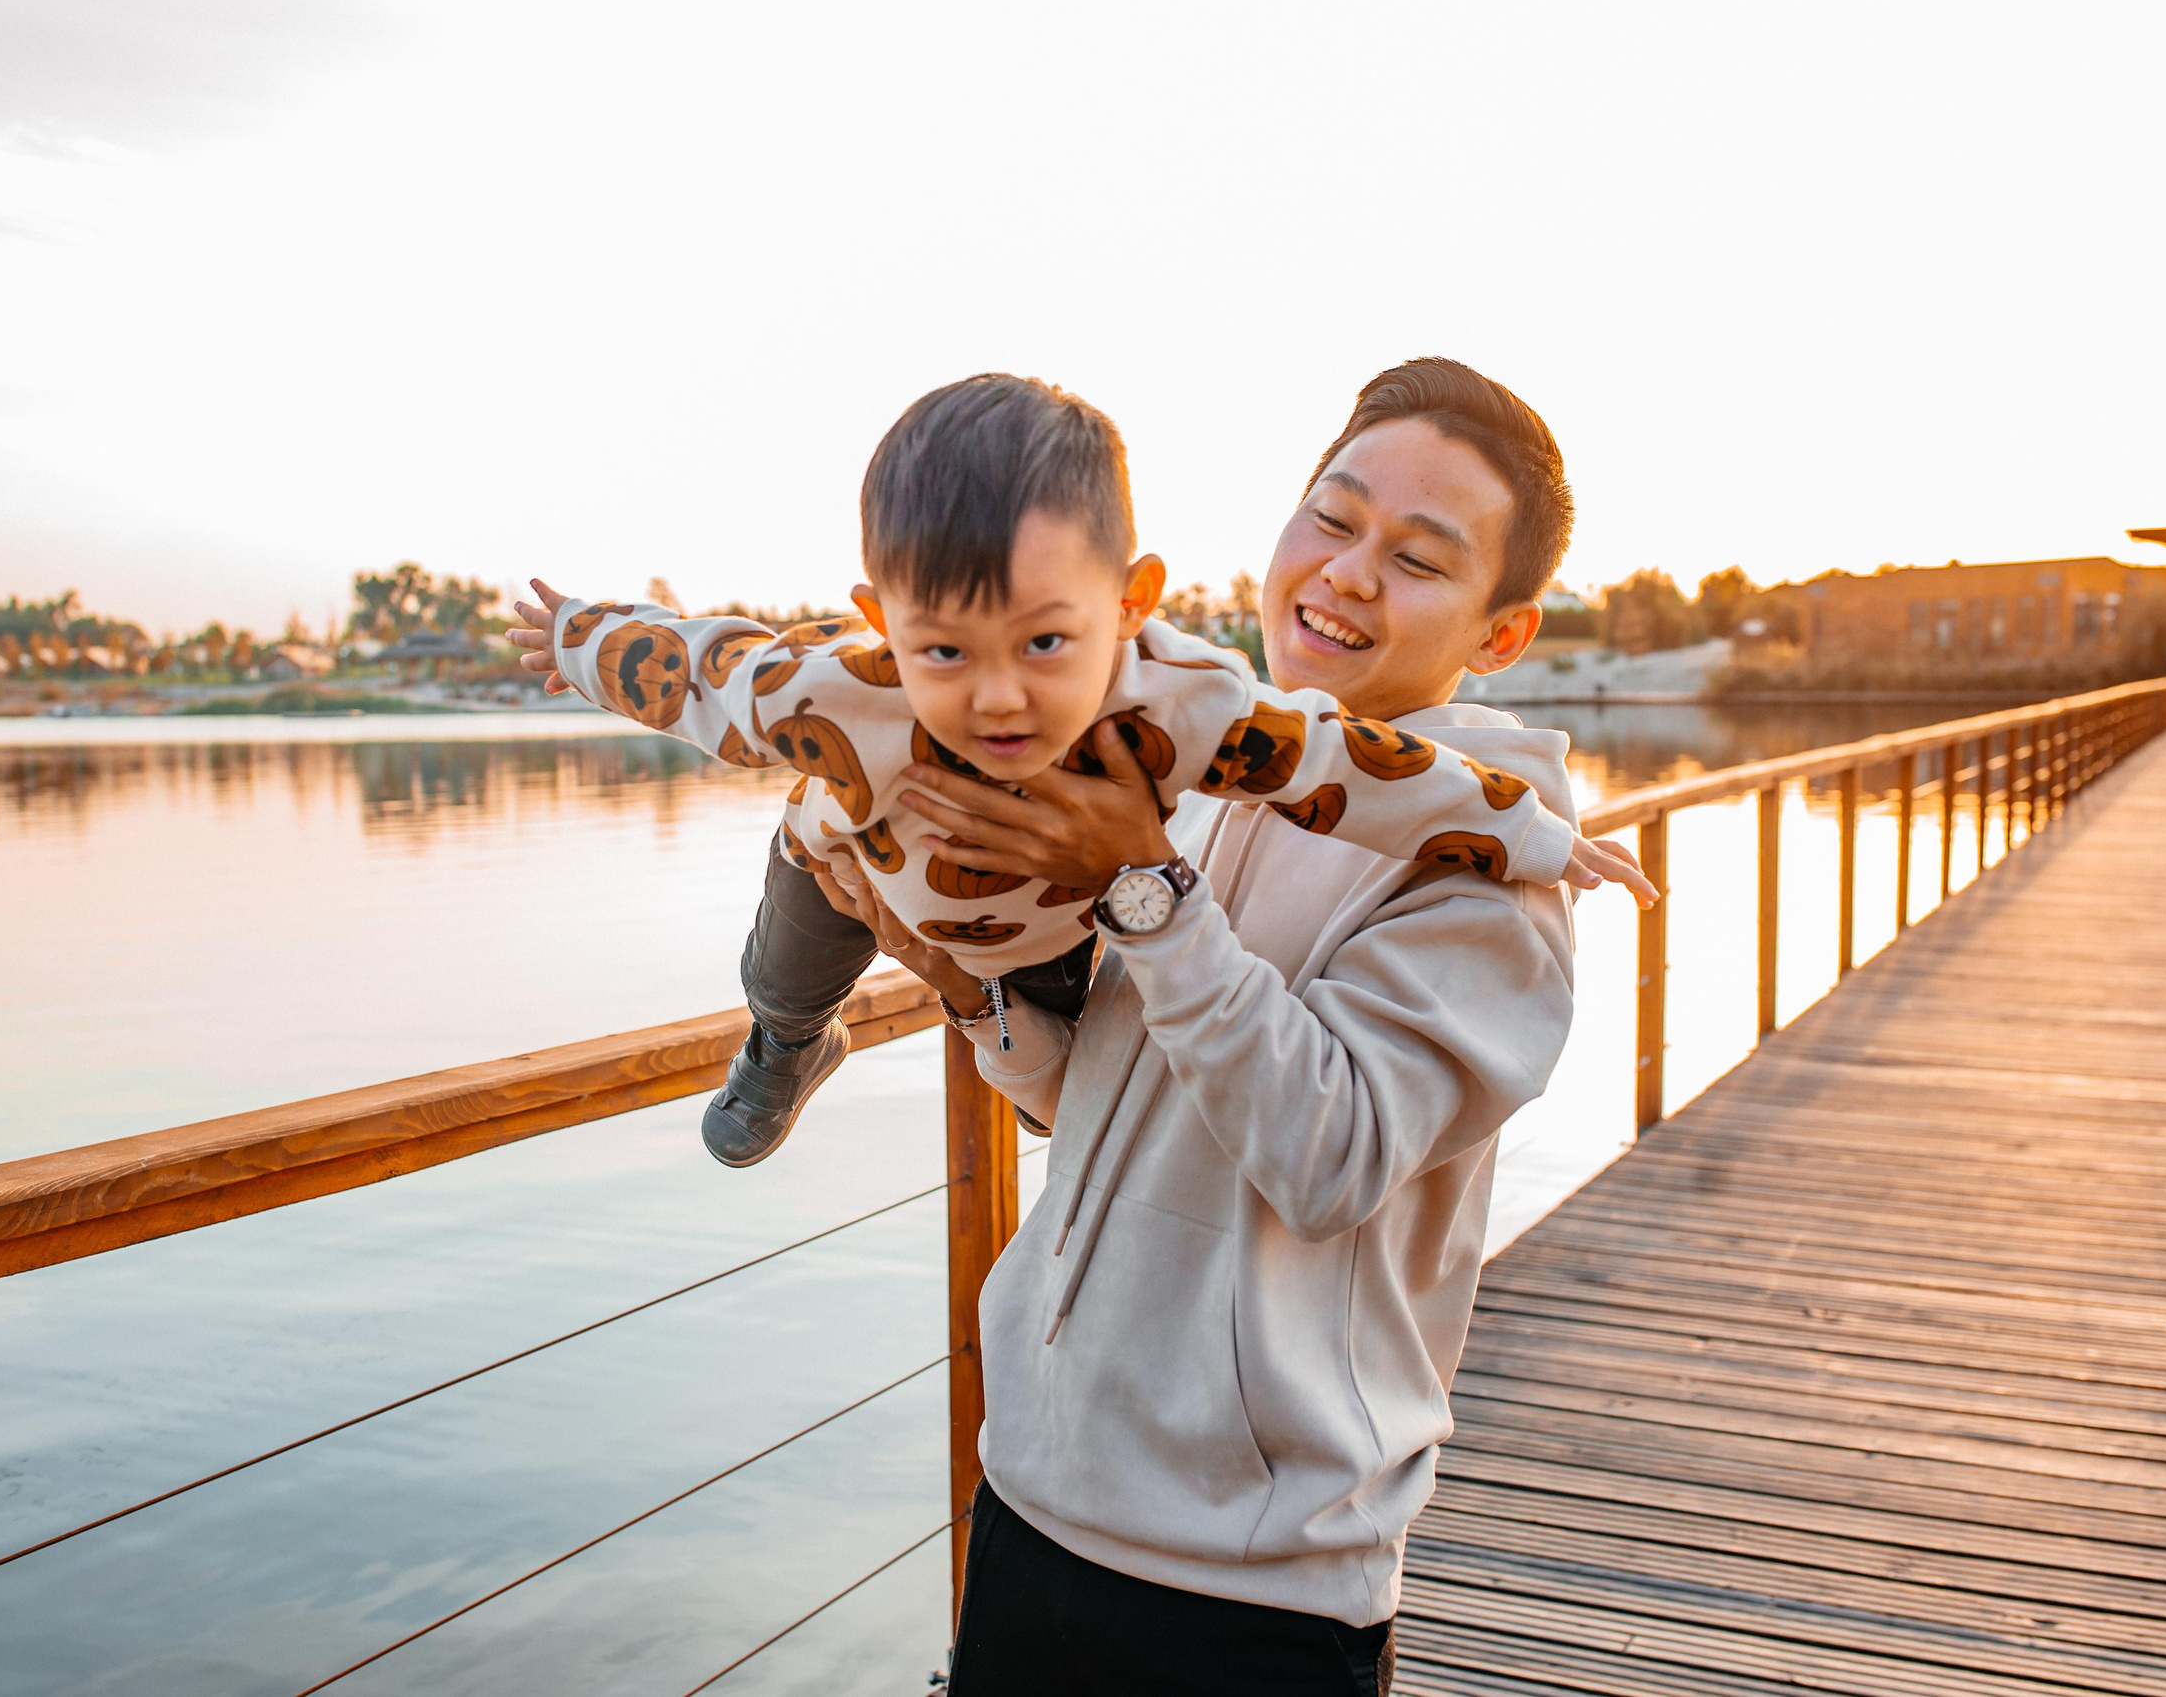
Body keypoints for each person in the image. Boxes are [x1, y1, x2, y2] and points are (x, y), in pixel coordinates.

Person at [821, 358, 1595, 1695]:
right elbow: (1106, 1104)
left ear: (1501, 631)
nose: (1349, 573)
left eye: (1417, 556)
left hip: (1251, 1588)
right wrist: (962, 981)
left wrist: (1141, 884)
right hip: (1035, 1494)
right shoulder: (1196, 778)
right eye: (1333, 518)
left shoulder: (1487, 870)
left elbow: (1328, 1152)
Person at [504, 374, 1650, 1173]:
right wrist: (573, 638)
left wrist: (1537, 838)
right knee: (798, 912)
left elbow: (1371, 775)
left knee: (1056, 952)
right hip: (871, 864)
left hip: (1046, 941)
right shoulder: (831, 688)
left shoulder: (1187, 719)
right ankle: (788, 1041)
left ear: (1129, 605)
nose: (997, 694)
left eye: (1409, 557)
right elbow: (697, 667)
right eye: (946, 648)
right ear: (881, 623)